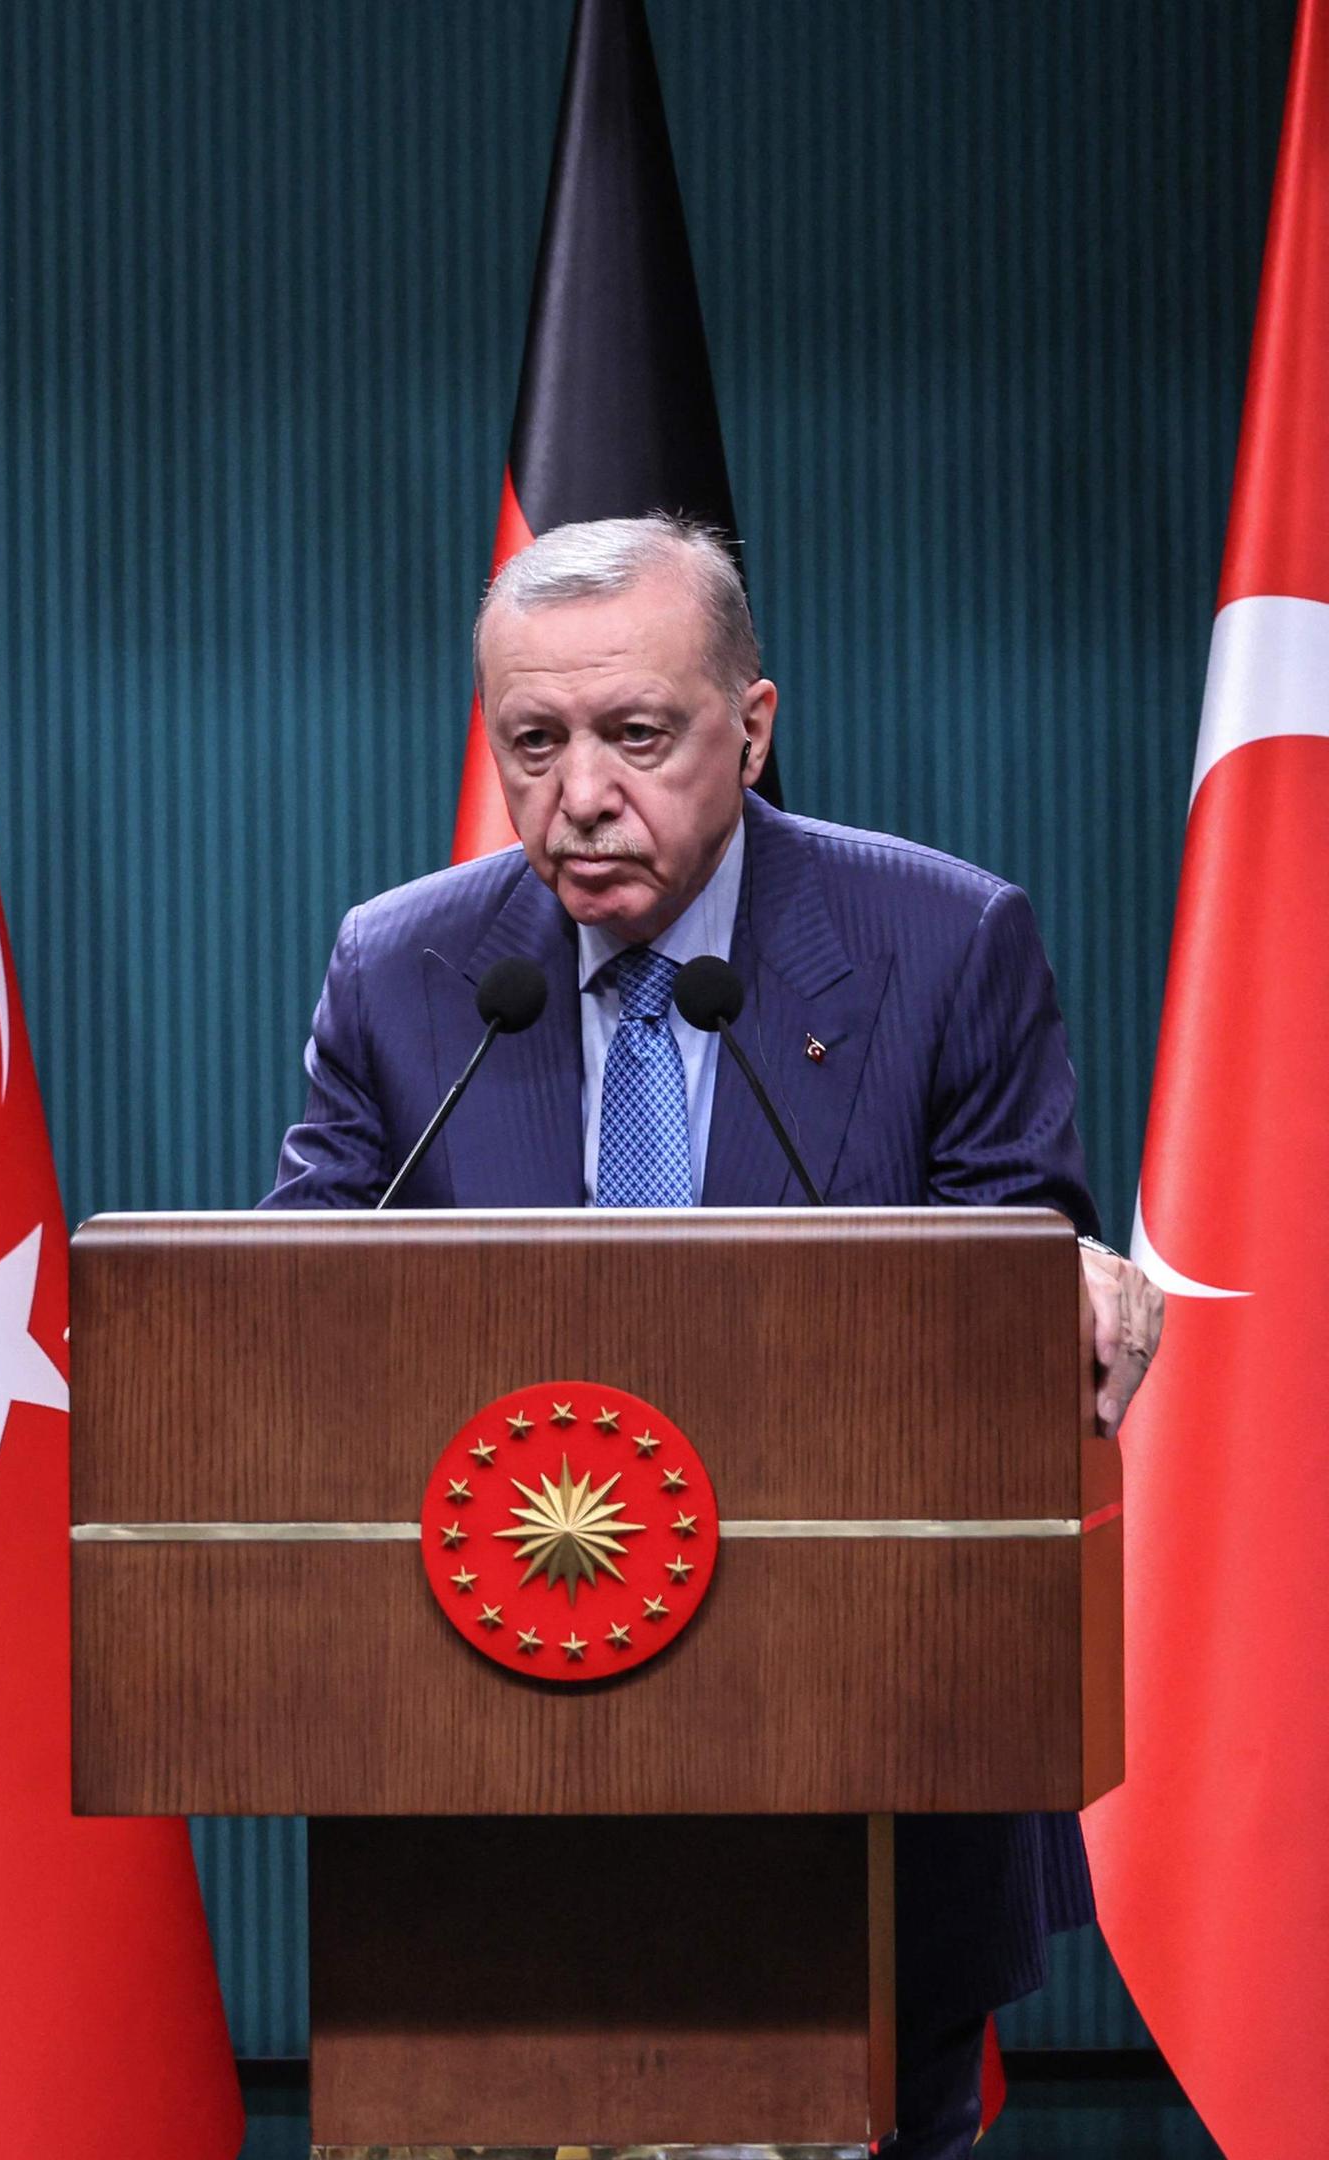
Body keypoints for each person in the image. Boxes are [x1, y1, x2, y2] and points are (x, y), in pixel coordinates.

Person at [265, 514, 1164, 2160]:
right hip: (492, 1808)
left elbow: (1005, 1300)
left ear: (749, 727)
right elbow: (295, 1331)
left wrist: (1065, 1283)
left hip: (867, 1792)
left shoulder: (941, 944)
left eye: (637, 735)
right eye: (532, 744)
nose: (580, 795)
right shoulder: (406, 972)